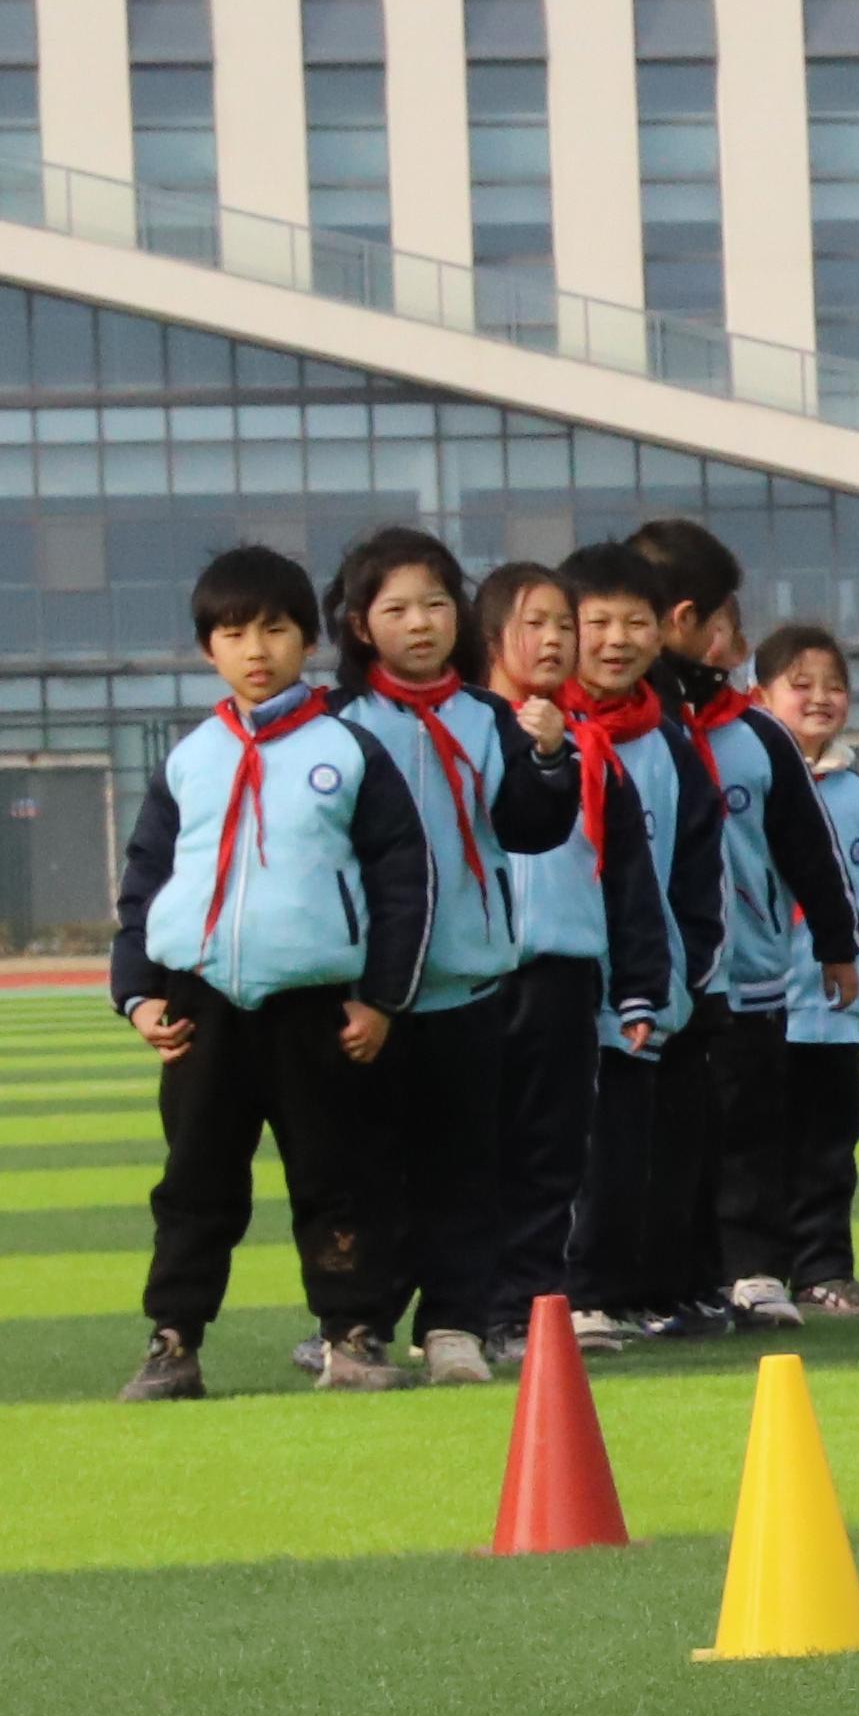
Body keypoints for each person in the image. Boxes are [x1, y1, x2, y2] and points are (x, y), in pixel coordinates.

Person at [109, 543, 426, 1400]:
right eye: (234, 633)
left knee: (337, 1179)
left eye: (277, 630)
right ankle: (173, 1341)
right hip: (200, 1007)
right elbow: (145, 879)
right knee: (195, 1184)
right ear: (207, 649)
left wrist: (381, 999)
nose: (257, 650)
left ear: (309, 641)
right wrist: (137, 996)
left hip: (316, 1010)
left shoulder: (348, 751)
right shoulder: (190, 759)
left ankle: (352, 1335)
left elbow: (403, 882)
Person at [329, 524, 583, 1380]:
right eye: (397, 609)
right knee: (366, 1172)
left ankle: (454, 1324)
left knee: (465, 1169)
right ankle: (358, 1323)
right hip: (368, 992)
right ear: (360, 625)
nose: (421, 623)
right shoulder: (339, 725)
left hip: (469, 982)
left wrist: (549, 759)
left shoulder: (489, 718)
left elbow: (531, 829)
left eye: (437, 604)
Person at [625, 519, 859, 1329]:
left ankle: (752, 1272)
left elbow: (808, 847)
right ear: (689, 620)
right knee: (664, 1140)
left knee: (750, 1132)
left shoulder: (756, 734)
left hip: (752, 973)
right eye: (727, 617)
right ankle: (668, 1280)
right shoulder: (630, 727)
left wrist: (836, 943)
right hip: (652, 977)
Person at [466, 559, 651, 1361]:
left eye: (563, 626)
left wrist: (639, 985)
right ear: (491, 636)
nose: (553, 640)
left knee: (551, 1157)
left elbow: (630, 876)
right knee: (461, 1152)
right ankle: (446, 1313)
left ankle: (528, 1316)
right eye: (534, 623)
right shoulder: (455, 738)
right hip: (467, 977)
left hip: (563, 978)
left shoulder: (592, 750)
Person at [557, 543, 712, 1331]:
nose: (616, 640)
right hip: (552, 989)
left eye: (635, 622)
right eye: (597, 622)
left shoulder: (670, 745)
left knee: (629, 1158)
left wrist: (687, 966)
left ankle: (611, 1296)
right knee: (552, 1155)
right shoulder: (537, 735)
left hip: (648, 995)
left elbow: (697, 871)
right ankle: (548, 1298)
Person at [753, 623, 859, 1316]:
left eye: (833, 685)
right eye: (800, 685)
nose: (820, 698)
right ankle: (755, 1274)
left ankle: (824, 1271)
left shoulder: (856, 792)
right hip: (761, 1006)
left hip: (834, 1013)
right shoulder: (749, 779)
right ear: (761, 695)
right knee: (756, 1152)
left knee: (829, 1155)